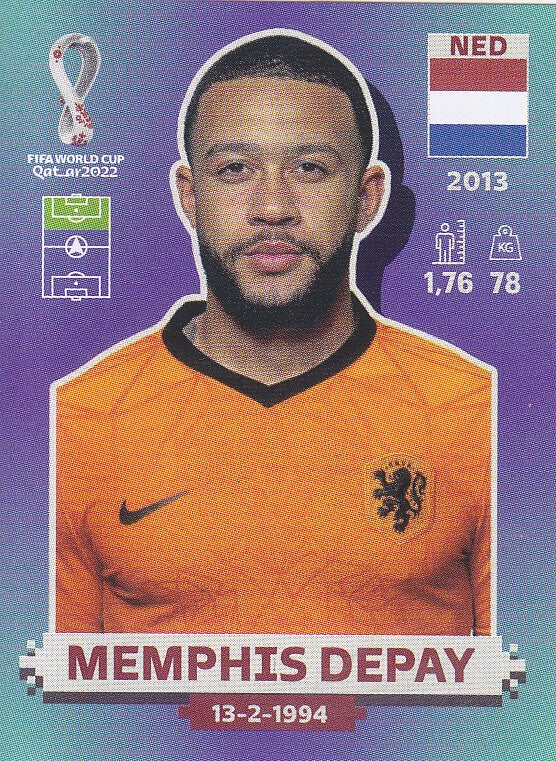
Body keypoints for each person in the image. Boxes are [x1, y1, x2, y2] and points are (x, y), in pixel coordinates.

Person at [55, 31, 492, 636]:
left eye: (310, 169)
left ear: (367, 199)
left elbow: (528, 680)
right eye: (235, 169)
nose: (272, 207)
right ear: (189, 196)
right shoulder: (79, 421)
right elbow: (52, 686)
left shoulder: (476, 414)